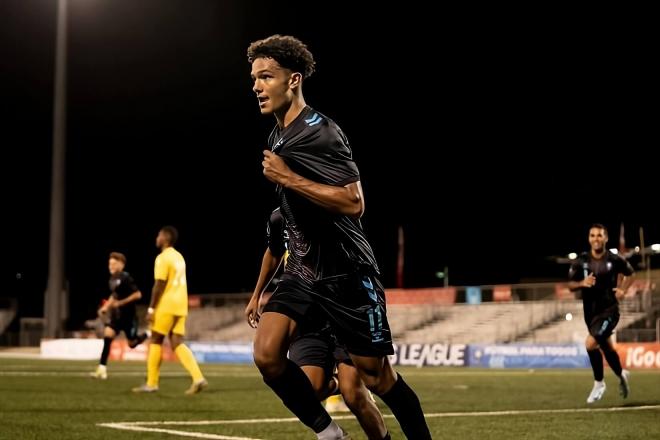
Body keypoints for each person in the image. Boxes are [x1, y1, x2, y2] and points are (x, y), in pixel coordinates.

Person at [248, 35, 430, 439]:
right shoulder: (278, 136)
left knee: (376, 379)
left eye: (266, 77)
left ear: (292, 80)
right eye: (254, 78)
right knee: (266, 354)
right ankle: (330, 434)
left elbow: (353, 202)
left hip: (345, 272)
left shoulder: (321, 131)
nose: (257, 86)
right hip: (303, 271)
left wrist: (288, 178)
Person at [246, 208, 389, 440]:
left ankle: (355, 391)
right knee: (310, 389)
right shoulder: (278, 217)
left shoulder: (334, 207)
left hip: (342, 307)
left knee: (355, 395)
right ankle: (339, 393)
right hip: (305, 311)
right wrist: (256, 295)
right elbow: (273, 252)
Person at [132, 226, 207, 394]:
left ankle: (151, 383)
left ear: (165, 238)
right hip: (181, 305)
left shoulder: (162, 258)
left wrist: (151, 309)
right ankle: (198, 377)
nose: (156, 237)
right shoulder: (179, 257)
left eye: (158, 235)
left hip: (167, 304)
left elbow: (159, 284)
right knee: (176, 343)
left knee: (156, 340)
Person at [568, 223, 634, 403]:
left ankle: (599, 382)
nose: (596, 239)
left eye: (599, 235)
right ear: (589, 238)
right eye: (592, 235)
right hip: (590, 313)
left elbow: (631, 273)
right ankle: (621, 376)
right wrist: (582, 283)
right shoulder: (581, 260)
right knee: (607, 348)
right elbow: (570, 285)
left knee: (590, 344)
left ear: (605, 238)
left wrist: (623, 290)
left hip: (610, 310)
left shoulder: (614, 259)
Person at [90, 252, 147, 380]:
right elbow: (114, 295)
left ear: (122, 264)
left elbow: (138, 294)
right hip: (117, 317)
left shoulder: (126, 277)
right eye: (110, 264)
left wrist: (120, 303)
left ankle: (146, 334)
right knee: (107, 336)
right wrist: (106, 307)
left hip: (129, 317)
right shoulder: (112, 279)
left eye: (114, 264)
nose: (111, 266)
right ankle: (102, 369)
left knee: (132, 344)